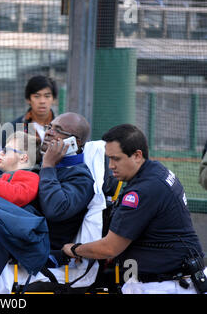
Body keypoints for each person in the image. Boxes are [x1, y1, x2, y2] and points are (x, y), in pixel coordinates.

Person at [62, 124, 205, 293]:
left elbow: (109, 248)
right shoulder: (157, 170)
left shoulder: (143, 191)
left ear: (137, 155)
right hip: (177, 279)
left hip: (165, 285)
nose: (111, 166)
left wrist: (73, 249)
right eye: (109, 159)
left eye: (117, 159)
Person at [38, 112, 95, 252]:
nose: (49, 133)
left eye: (58, 130)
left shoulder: (81, 177)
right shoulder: (43, 163)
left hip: (43, 250)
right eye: (49, 127)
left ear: (76, 142)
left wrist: (48, 166)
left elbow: (55, 210)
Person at [7, 75, 58, 146]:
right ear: (28, 99)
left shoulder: (62, 128)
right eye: (37, 96)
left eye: (47, 96)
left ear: (54, 99)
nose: (42, 101)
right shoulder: (13, 128)